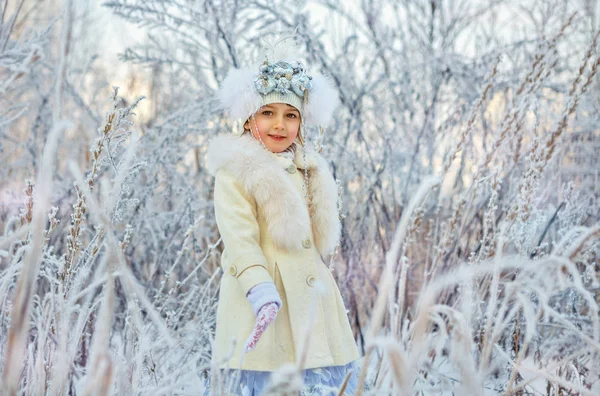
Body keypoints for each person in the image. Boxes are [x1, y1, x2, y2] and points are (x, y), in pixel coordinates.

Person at [205, 52, 360, 395]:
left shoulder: (310, 167)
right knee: (268, 375)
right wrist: (259, 287)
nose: (280, 125)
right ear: (248, 119)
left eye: (291, 115)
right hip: (262, 297)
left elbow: (316, 238)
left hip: (310, 299)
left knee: (316, 372)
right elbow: (239, 237)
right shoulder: (236, 169)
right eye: (268, 113)